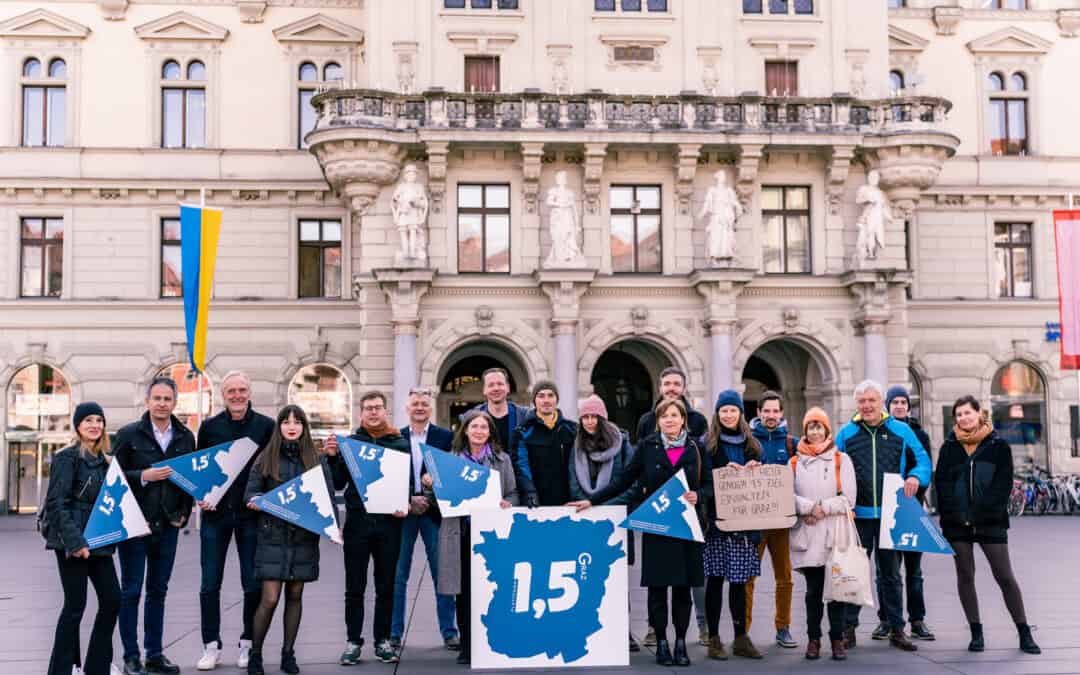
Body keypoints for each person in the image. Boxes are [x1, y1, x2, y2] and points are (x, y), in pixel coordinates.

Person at [571, 399, 706, 667]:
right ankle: (662, 644)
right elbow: (624, 480)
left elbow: (710, 484)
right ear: (658, 421)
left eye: (674, 415)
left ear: (683, 420)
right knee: (657, 590)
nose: (669, 420)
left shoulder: (695, 448)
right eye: (664, 416)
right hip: (657, 529)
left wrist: (699, 495)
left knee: (682, 590)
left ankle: (680, 642)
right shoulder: (647, 447)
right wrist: (594, 501)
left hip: (687, 529)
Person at [935, 395, 1040, 655]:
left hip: (990, 520)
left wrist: (979, 512)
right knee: (965, 576)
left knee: (1004, 576)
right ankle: (976, 632)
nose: (963, 418)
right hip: (957, 523)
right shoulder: (949, 447)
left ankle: (1024, 632)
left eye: (967, 413)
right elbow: (943, 485)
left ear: (979, 414)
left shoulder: (998, 445)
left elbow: (1002, 485)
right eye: (958, 415)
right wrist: (957, 514)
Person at [833, 379, 931, 653]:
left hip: (891, 514)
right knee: (854, 573)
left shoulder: (901, 431)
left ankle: (897, 629)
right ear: (857, 404)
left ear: (881, 403)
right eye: (862, 402)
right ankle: (848, 629)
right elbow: (834, 467)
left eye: (871, 401)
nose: (866, 406)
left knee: (890, 574)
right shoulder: (846, 433)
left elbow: (923, 461)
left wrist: (914, 476)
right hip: (857, 515)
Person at [243, 405, 337, 675]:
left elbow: (328, 498)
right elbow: (249, 493)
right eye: (286, 421)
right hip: (272, 537)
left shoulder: (316, 460)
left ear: (304, 427)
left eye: (297, 422)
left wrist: (332, 528)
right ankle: (256, 654)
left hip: (302, 538)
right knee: (270, 599)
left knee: (295, 595)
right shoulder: (266, 457)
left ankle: (288, 654)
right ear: (279, 426)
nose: (292, 426)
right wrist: (256, 502)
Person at [114, 377, 197, 675]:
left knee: (158, 591)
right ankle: (131, 656)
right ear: (147, 401)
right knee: (131, 591)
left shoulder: (186, 437)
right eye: (157, 398)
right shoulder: (128, 435)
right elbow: (115, 477)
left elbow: (190, 479)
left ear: (175, 402)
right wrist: (143, 476)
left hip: (168, 526)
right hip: (135, 525)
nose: (162, 404)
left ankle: (154, 654)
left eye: (167, 399)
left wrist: (184, 513)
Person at [196, 371, 276, 671]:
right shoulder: (209, 427)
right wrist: (201, 495)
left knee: (252, 584)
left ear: (250, 392)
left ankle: (248, 644)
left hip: (251, 516)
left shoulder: (266, 427)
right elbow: (200, 469)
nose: (237, 395)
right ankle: (211, 646)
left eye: (242, 389)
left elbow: (273, 468)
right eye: (231, 390)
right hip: (215, 515)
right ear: (223, 394)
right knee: (209, 584)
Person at [425, 409, 518, 665]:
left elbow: (513, 493)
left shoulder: (502, 460)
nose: (479, 431)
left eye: (484, 427)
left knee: (492, 589)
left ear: (490, 432)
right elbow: (436, 503)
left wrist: (506, 504)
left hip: (491, 536)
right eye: (474, 426)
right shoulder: (449, 460)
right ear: (465, 430)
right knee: (463, 591)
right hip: (460, 533)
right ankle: (467, 645)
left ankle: (492, 642)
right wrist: (429, 485)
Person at [325, 391, 409, 665]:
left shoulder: (399, 443)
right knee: (355, 586)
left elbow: (406, 483)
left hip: (389, 524)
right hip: (358, 523)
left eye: (378, 408)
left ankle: (382, 641)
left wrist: (404, 502)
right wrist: (332, 457)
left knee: (386, 586)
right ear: (361, 414)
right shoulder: (350, 443)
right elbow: (338, 484)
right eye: (368, 408)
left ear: (386, 412)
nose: (373, 412)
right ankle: (353, 641)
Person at [633, 366, 709, 646]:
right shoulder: (645, 421)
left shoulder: (699, 422)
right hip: (658, 512)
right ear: (660, 387)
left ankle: (698, 628)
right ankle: (656, 629)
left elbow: (704, 469)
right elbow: (638, 464)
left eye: (677, 383)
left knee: (687, 579)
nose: (672, 388)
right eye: (667, 383)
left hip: (688, 517)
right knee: (657, 579)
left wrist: (699, 495)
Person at [45, 402, 122, 675]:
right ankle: (62, 670)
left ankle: (97, 667)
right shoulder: (67, 458)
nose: (94, 425)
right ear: (78, 426)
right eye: (88, 420)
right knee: (75, 605)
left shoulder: (106, 461)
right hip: (72, 542)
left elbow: (113, 502)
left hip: (98, 542)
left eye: (99, 420)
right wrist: (75, 543)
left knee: (113, 599)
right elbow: (56, 504)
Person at [567, 395, 641, 652]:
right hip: (585, 519)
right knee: (586, 577)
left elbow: (631, 482)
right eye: (585, 417)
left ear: (602, 418)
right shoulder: (575, 445)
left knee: (618, 578)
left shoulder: (622, 444)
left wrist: (603, 508)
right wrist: (585, 505)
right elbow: (572, 481)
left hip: (616, 518)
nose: (589, 422)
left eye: (593, 416)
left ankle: (624, 630)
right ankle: (590, 629)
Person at [391, 388, 459, 651]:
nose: (420, 407)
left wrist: (429, 496)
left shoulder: (445, 437)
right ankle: (395, 632)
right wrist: (410, 498)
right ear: (407, 408)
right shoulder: (396, 436)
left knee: (442, 572)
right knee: (398, 574)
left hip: (434, 510)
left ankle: (449, 631)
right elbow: (392, 475)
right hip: (404, 511)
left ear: (430, 409)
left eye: (424, 404)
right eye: (415, 404)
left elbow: (451, 472)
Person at [788, 407, 856, 662]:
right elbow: (788, 495)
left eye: (819, 426)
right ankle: (813, 639)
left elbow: (848, 498)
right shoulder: (794, 462)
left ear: (827, 429)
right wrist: (809, 508)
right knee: (813, 591)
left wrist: (822, 509)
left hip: (835, 533)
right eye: (811, 426)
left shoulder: (842, 460)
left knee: (837, 591)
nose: (815, 431)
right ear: (804, 431)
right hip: (808, 533)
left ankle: (837, 639)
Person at [869, 386, 934, 642]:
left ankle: (917, 620)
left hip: (912, 508)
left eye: (902, 402)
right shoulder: (881, 431)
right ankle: (886, 620)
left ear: (908, 406)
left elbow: (925, 465)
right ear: (887, 405)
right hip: (887, 510)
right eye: (894, 402)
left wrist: (915, 488)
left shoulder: (919, 434)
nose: (898, 406)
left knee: (914, 571)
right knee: (886, 570)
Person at [703, 390, 764, 661]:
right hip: (717, 524)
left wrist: (755, 470)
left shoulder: (753, 446)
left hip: (745, 524)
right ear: (717, 414)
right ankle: (714, 637)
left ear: (741, 413)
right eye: (724, 410)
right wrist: (722, 477)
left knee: (739, 583)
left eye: (733, 410)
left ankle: (741, 637)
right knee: (715, 581)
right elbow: (702, 482)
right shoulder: (708, 446)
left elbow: (765, 484)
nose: (728, 414)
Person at [745, 390, 797, 649]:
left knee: (785, 577)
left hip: (781, 522)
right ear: (758, 413)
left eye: (775, 411)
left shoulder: (790, 443)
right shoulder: (747, 440)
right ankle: (743, 630)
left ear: (782, 413)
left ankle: (783, 626)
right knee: (748, 577)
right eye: (766, 411)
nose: (771, 416)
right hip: (753, 522)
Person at [510, 380, 577, 507]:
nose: (546, 400)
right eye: (541, 396)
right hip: (536, 501)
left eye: (550, 395)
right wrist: (530, 492)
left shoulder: (572, 429)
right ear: (534, 400)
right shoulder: (522, 431)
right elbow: (521, 465)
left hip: (568, 500)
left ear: (557, 399)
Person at [471, 368, 526, 452]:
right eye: (491, 385)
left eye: (500, 384)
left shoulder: (525, 416)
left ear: (508, 387)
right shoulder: (471, 418)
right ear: (484, 390)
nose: (496, 388)